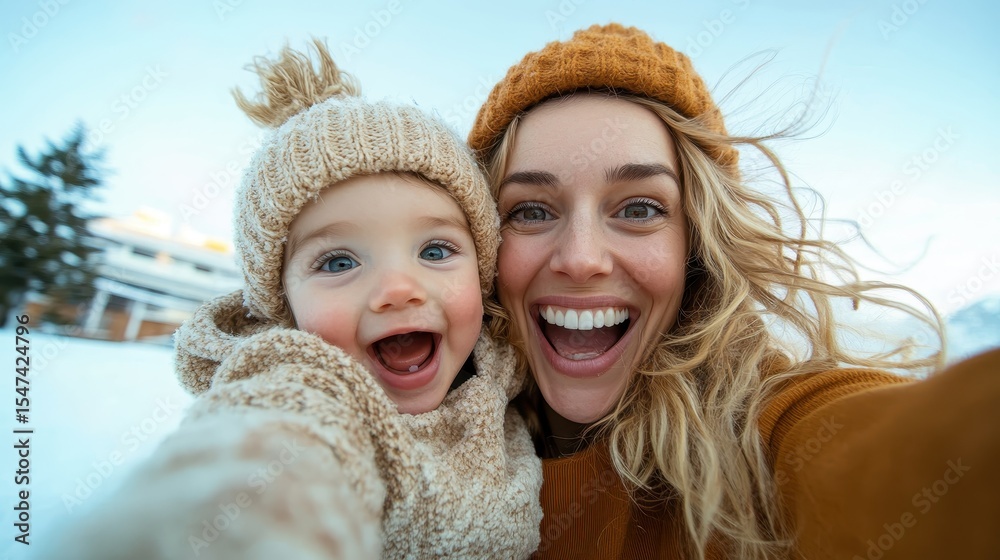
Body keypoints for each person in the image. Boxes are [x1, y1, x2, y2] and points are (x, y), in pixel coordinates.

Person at [468, 23, 1000, 559]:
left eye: (639, 209)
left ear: (697, 242)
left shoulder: (768, 430)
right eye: (530, 211)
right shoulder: (416, 432)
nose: (581, 259)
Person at [38, 40, 541, 559]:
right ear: (284, 306)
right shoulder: (301, 385)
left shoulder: (510, 372)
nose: (398, 289)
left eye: (435, 250)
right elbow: (272, 443)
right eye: (339, 263)